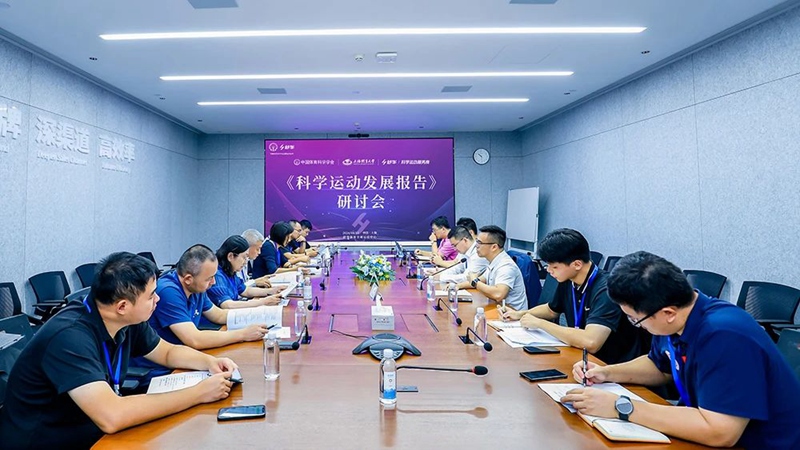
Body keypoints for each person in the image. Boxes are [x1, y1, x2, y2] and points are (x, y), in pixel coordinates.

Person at [563, 251, 800, 449]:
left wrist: (620, 406)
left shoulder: (725, 336)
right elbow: (660, 365)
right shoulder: (676, 319)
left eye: (635, 320)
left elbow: (721, 432)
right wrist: (607, 373)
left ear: (668, 313)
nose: (639, 326)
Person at [0, 252, 237, 449]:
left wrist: (209, 362)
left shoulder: (125, 319)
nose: (157, 299)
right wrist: (199, 393)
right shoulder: (69, 337)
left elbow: (166, 353)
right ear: (122, 306)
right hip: (46, 441)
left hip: (89, 429)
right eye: (151, 295)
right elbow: (112, 416)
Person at [500, 228, 648, 364]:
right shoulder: (569, 280)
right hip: (581, 357)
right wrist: (520, 314)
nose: (549, 271)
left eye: (554, 266)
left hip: (610, 364)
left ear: (577, 264)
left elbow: (591, 342)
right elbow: (551, 310)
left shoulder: (606, 290)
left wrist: (540, 324)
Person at [133, 245, 269, 379]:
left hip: (183, 359)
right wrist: (243, 334)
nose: (213, 282)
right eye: (209, 278)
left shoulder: (196, 287)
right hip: (161, 370)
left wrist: (260, 314)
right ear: (188, 279)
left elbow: (219, 315)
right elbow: (194, 339)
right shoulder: (168, 291)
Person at [455, 225, 527, 310]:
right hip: (498, 308)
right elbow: (482, 279)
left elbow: (498, 294)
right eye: (476, 241)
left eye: (480, 242)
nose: (476, 246)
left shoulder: (506, 266)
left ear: (494, 247)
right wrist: (458, 285)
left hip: (512, 314)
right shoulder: (493, 261)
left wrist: (474, 282)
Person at [207, 235, 283, 309]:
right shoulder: (217, 275)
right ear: (230, 256)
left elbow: (246, 290)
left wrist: (272, 291)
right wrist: (262, 302)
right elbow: (227, 305)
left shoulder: (230, 271)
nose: (246, 262)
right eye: (244, 257)